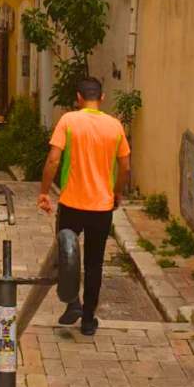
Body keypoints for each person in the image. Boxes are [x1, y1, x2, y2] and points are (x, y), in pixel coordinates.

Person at [37, 76, 130, 337]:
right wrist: (117, 192)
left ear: (78, 98)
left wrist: (44, 192)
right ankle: (88, 320)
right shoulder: (115, 126)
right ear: (101, 98)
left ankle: (72, 303)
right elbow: (125, 166)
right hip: (101, 207)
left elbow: (53, 161)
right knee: (93, 264)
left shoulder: (68, 121)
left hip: (71, 205)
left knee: (65, 257)